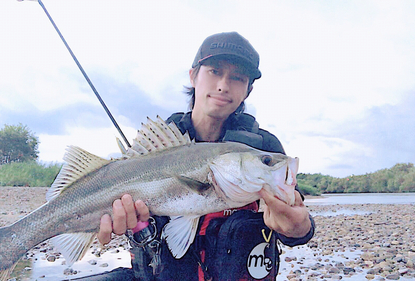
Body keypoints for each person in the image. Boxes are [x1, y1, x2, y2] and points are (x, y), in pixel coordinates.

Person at [95, 32, 315, 281]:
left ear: (248, 89)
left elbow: (296, 224)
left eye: (237, 78)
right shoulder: (159, 147)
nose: (223, 85)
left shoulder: (264, 145)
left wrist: (299, 228)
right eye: (214, 71)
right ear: (193, 76)